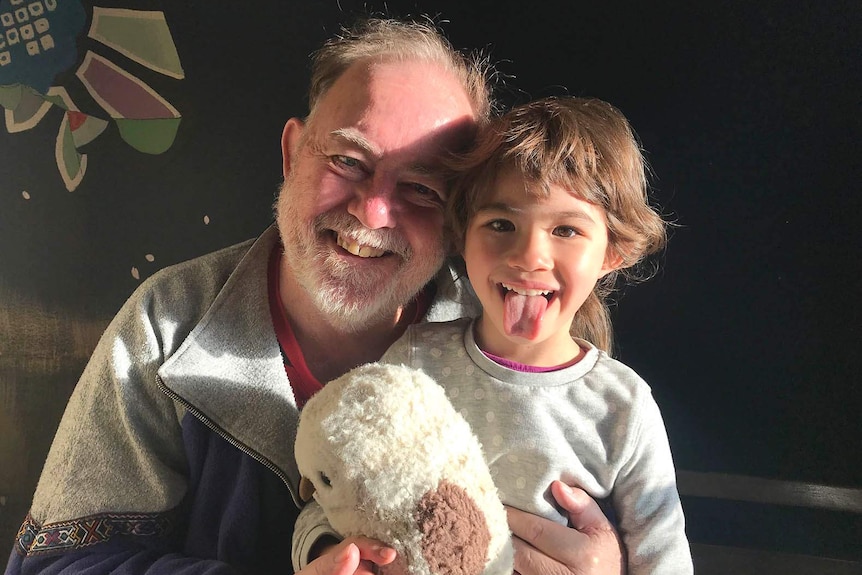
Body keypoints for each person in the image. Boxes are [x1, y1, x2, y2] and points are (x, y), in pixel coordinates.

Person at [5, 18, 624, 575]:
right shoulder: (166, 325)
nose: (373, 211)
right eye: (349, 160)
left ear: (456, 215)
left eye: (423, 189)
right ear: (293, 151)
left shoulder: (521, 347)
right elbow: (57, 564)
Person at [294, 97, 692, 574]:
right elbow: (333, 489)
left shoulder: (624, 407)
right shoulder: (416, 361)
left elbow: (665, 558)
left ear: (614, 252)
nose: (528, 256)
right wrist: (324, 553)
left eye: (566, 230)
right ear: (461, 237)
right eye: (501, 224)